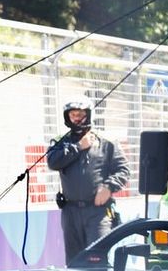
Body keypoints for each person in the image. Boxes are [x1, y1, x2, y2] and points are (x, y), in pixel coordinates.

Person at [47, 98, 130, 262]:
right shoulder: (61, 141)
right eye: (72, 115)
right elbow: (52, 162)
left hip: (98, 212)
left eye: (80, 114)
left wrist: (108, 187)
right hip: (70, 211)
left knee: (96, 261)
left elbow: (124, 170)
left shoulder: (106, 141)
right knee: (74, 263)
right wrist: (78, 147)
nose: (76, 118)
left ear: (89, 114)